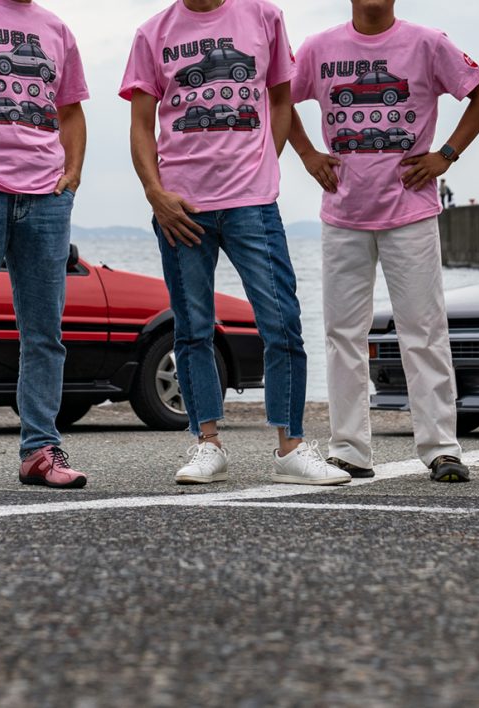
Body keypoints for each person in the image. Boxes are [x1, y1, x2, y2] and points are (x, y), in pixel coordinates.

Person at [119, 0, 351, 487]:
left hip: (253, 202)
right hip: (182, 207)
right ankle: (207, 444)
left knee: (282, 321)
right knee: (192, 328)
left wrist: (264, 163)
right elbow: (142, 122)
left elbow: (281, 98)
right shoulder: (152, 32)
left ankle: (290, 447)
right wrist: (155, 194)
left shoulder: (264, 16)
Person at [289, 0, 479, 482]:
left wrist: (446, 155)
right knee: (343, 333)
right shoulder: (319, 47)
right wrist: (306, 153)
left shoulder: (427, 42)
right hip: (343, 213)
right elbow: (276, 93)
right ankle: (349, 449)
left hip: (410, 212)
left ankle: (441, 447)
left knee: (422, 330)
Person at [0, 0, 89, 488]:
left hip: (45, 196)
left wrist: (71, 175)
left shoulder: (56, 29)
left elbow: (70, 111)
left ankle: (40, 451)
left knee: (44, 333)